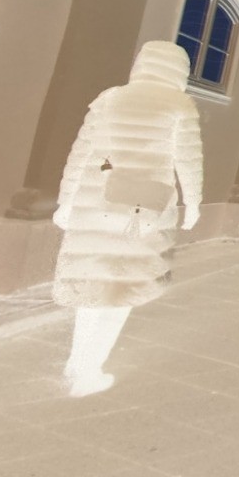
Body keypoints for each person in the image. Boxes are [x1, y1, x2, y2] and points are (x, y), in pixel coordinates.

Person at [53, 41, 203, 398]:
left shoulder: (110, 99)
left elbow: (81, 153)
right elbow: (188, 160)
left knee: (93, 286)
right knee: (123, 288)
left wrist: (66, 201)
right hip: (143, 210)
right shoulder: (179, 105)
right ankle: (90, 372)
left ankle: (76, 362)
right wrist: (194, 202)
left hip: (96, 202)